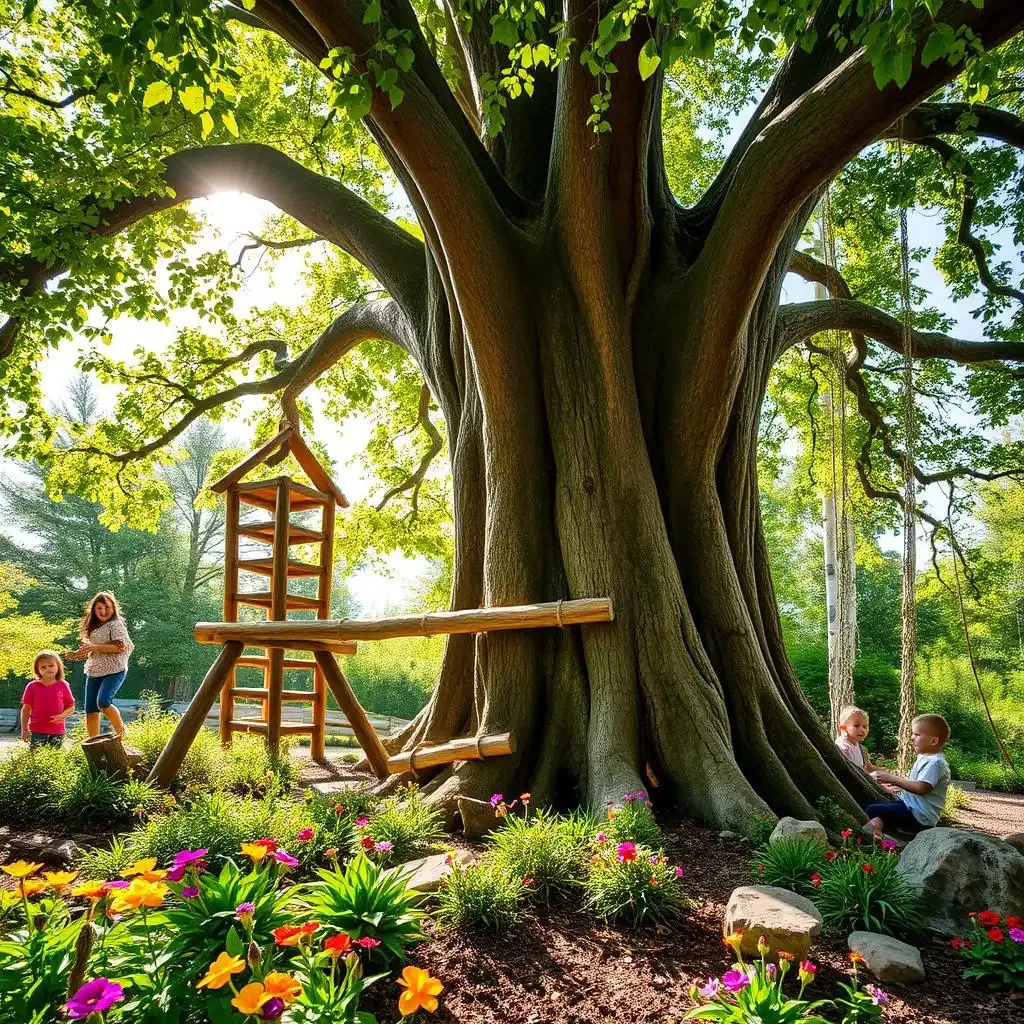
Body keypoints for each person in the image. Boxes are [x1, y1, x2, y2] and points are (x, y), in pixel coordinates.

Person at [864, 714, 951, 837]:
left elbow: (922, 788)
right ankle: (877, 830)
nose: (912, 738)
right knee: (877, 808)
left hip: (920, 816)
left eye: (917, 735)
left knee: (872, 810)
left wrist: (894, 779)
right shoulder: (925, 758)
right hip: (911, 807)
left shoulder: (935, 763)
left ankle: (902, 833)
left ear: (934, 741)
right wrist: (896, 785)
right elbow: (915, 783)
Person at [67, 592, 134, 739]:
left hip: (115, 670)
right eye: (99, 608)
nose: (103, 611)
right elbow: (91, 648)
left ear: (113, 608)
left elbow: (120, 647)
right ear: (94, 610)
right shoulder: (92, 626)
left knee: (103, 702)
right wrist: (76, 654)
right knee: (90, 709)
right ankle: (93, 742)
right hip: (95, 671)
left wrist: (94, 647)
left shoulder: (115, 624)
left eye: (107, 607)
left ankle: (122, 733)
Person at [20, 650, 75, 749]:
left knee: (55, 759)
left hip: (57, 731)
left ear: (58, 666)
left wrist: (62, 715)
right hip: (37, 731)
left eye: (51, 665)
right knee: (36, 758)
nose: (48, 669)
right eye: (43, 667)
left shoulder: (63, 685)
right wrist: (24, 728)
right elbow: (26, 709)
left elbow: (71, 707)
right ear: (38, 670)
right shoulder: (32, 686)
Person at [835, 705, 875, 772]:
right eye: (856, 726)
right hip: (854, 778)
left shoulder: (859, 747)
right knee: (879, 775)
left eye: (865, 726)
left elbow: (868, 768)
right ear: (843, 728)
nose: (862, 730)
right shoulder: (843, 746)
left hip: (863, 776)